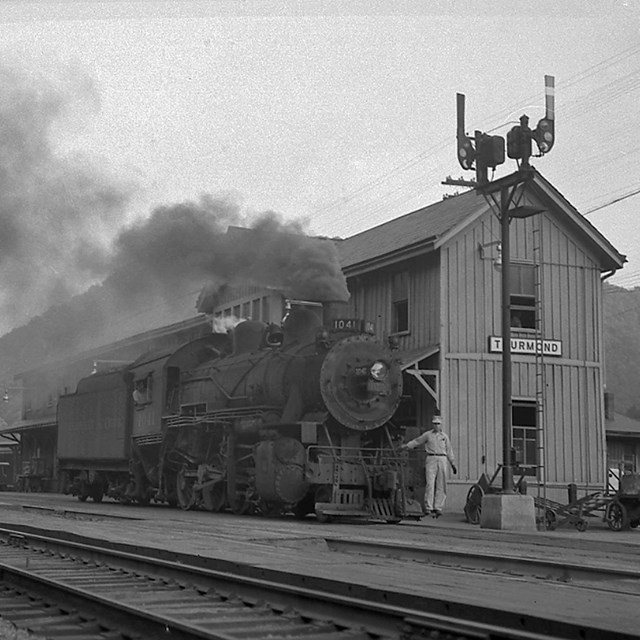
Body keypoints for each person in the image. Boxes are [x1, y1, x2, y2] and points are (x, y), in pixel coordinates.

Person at [401, 414, 457, 518]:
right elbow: (417, 441)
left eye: (438, 424)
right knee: (430, 483)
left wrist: (452, 463)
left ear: (441, 425)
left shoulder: (445, 437)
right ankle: (428, 507)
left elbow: (449, 450)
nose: (436, 426)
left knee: (441, 484)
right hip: (431, 458)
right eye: (435, 424)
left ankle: (438, 507)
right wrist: (407, 446)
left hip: (442, 459)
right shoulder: (428, 435)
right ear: (432, 424)